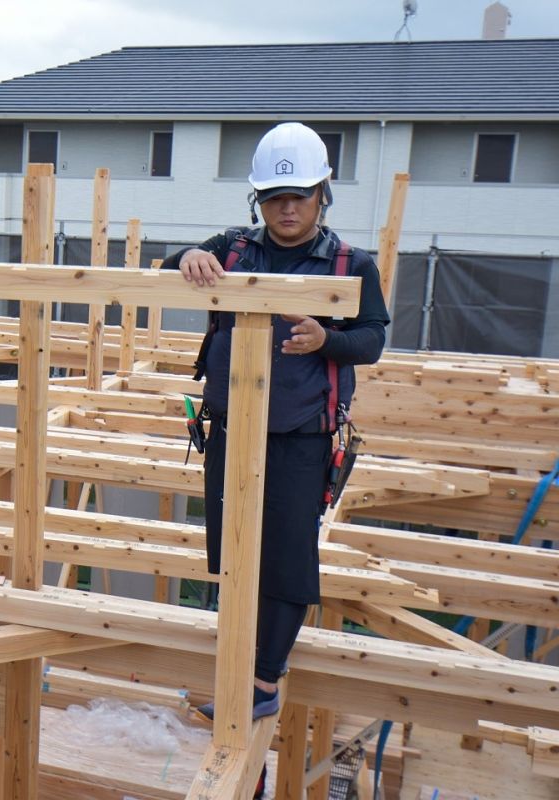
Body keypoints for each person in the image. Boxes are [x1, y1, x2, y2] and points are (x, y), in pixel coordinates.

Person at [166, 122, 389, 721]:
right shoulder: (236, 249)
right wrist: (187, 257)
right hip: (230, 428)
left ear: (323, 193)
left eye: (299, 196)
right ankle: (239, 658)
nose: (287, 208)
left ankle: (263, 681)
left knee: (286, 557)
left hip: (299, 437)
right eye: (274, 198)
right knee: (234, 550)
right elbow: (170, 267)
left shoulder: (349, 262)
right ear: (259, 200)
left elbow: (372, 339)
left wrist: (327, 340)